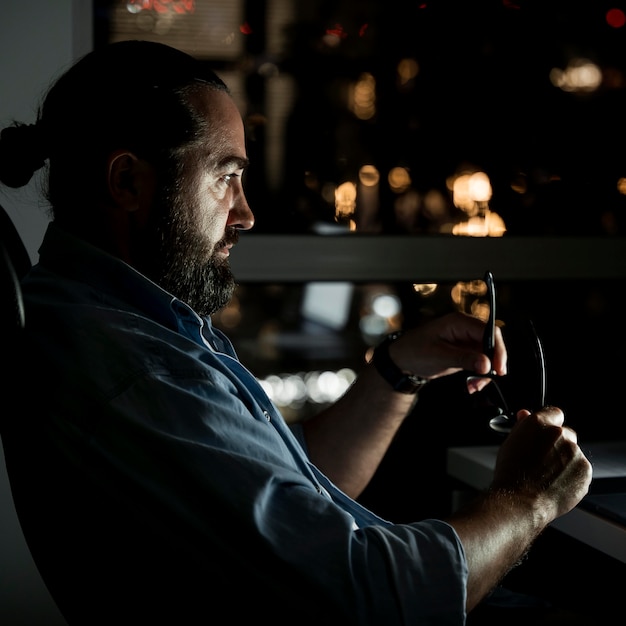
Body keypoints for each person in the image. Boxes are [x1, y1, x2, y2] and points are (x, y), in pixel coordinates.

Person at [0, 40, 592, 625]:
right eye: (225, 178)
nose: (245, 213)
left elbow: (289, 492)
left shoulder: (112, 321)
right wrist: (527, 499)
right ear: (126, 182)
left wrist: (398, 368)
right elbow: (377, 603)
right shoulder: (141, 372)